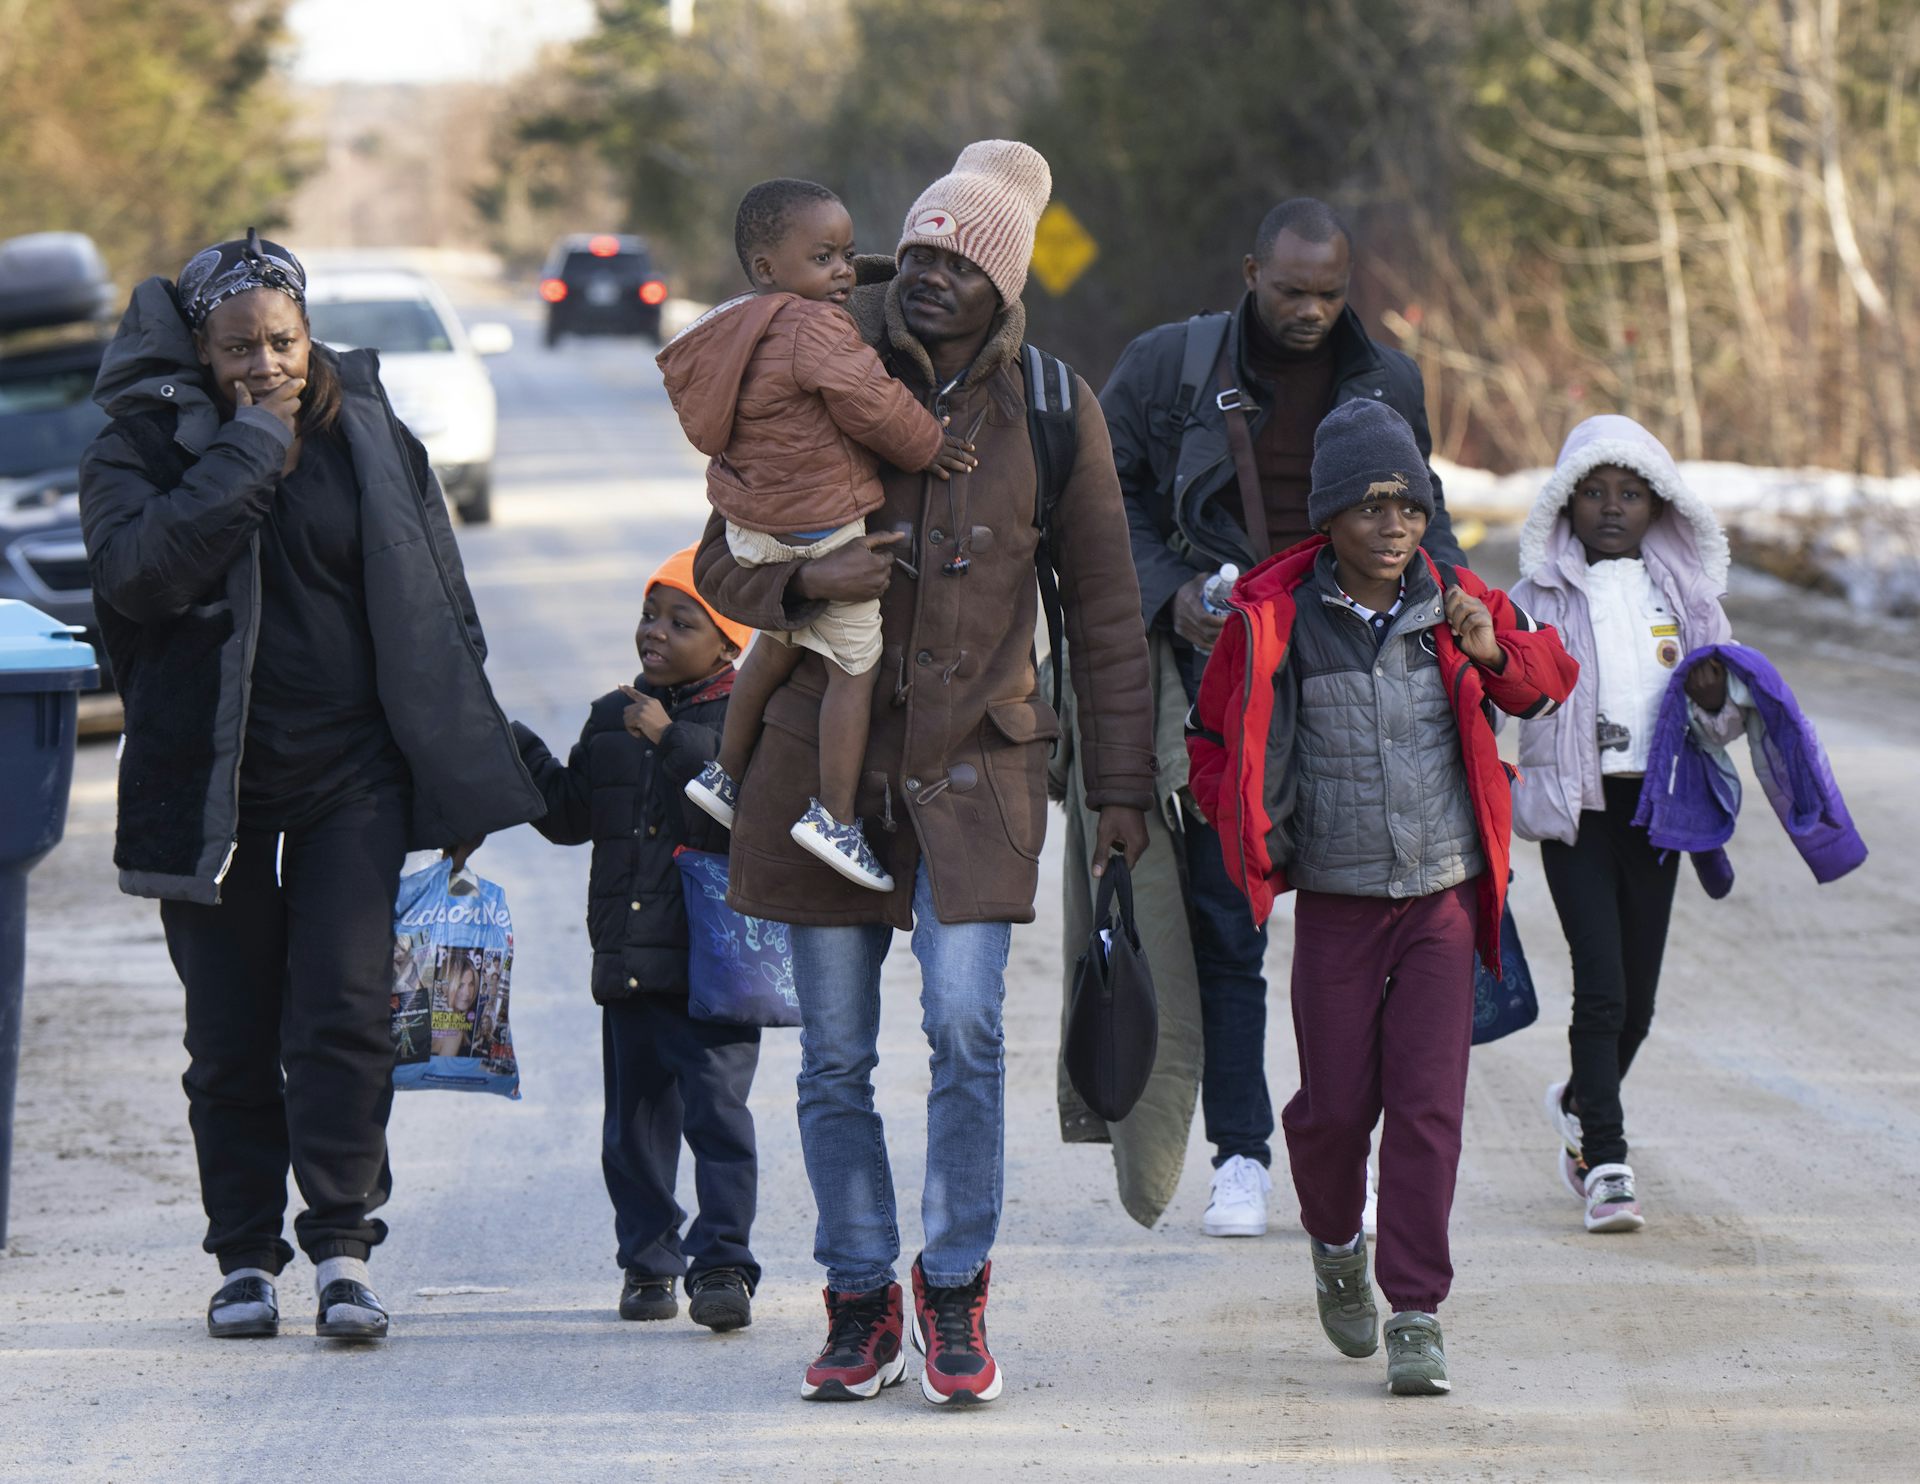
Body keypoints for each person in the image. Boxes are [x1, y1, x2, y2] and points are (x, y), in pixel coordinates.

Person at [694, 140, 1154, 1407]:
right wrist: (800, 582)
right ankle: (857, 1297)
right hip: (822, 783)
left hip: (978, 777)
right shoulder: (814, 357)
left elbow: (1107, 614)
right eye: (926, 249)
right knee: (835, 1053)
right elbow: (718, 562)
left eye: (966, 260)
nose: (935, 275)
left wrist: (1121, 789)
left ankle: (952, 1287)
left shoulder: (1056, 407)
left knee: (964, 1031)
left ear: (1005, 287)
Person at [78, 231, 544, 1342]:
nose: (266, 366)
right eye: (237, 348)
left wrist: (461, 767)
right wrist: (244, 450)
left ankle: (341, 1246)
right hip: (207, 779)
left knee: (341, 1011)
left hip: (352, 773)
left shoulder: (370, 429)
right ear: (199, 346)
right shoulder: (139, 442)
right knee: (231, 1031)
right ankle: (245, 1258)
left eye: (281, 341)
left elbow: (440, 596)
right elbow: (140, 574)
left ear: (307, 329)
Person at [1186, 400, 1577, 1396]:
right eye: (1372, 506)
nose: (1396, 524)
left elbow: (1549, 677)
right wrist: (1237, 818)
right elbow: (1212, 736)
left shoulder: (1456, 599)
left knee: (1429, 1105)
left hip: (1442, 900)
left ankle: (1415, 1307)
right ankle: (1333, 1241)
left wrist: (1492, 648)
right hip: (1340, 903)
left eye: (1410, 503)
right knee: (1332, 1110)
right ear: (1330, 518)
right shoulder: (1277, 616)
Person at [1098, 197, 1467, 1238]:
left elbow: (1421, 511)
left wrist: (1478, 614)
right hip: (1227, 677)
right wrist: (1171, 587)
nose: (1311, 311)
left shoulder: (1386, 377)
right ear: (1251, 270)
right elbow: (1103, 495)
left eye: (1331, 292)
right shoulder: (1171, 368)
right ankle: (1242, 1151)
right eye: (1292, 289)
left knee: (1375, 911)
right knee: (1230, 917)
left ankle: (1348, 1139)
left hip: (1360, 670)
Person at [662, 178, 975, 891]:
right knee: (852, 668)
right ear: (771, 269)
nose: (842, 271)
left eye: (848, 254)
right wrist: (929, 445)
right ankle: (834, 817)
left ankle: (725, 773)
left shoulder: (739, 323)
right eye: (825, 257)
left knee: (776, 644)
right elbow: (871, 401)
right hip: (818, 529)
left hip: (751, 528)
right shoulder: (813, 328)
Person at [510, 546, 765, 1332]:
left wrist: (670, 740)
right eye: (650, 614)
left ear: (729, 644)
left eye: (681, 621)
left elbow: (748, 809)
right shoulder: (610, 717)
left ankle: (722, 1263)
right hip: (629, 960)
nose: (655, 632)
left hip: (715, 962)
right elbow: (568, 817)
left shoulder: (746, 720)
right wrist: (511, 746)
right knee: (632, 1126)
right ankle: (648, 1264)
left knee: (717, 1115)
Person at [1507, 414, 1742, 1233]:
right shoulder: (1535, 597)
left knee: (1637, 1003)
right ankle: (1605, 1159)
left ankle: (1578, 1099)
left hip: (1659, 809)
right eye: (1595, 493)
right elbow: (1508, 689)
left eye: (1631, 494)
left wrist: (1718, 705)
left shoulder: (1686, 596)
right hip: (1580, 814)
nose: (1612, 508)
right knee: (1600, 990)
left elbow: (1727, 707)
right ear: (1564, 505)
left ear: (1659, 504)